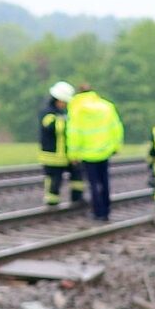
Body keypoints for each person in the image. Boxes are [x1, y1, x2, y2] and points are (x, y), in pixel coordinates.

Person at [65, 83, 123, 222]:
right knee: (104, 181)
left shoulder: (76, 108)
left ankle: (98, 212)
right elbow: (116, 127)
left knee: (93, 183)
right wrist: (115, 146)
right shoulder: (106, 106)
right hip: (104, 150)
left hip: (87, 153)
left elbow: (74, 133)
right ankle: (107, 210)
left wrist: (73, 154)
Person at [38, 82, 81, 209]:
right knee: (54, 181)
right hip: (52, 157)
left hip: (67, 155)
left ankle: (77, 200)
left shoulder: (64, 112)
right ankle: (52, 204)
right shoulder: (47, 112)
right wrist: (69, 121)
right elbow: (51, 127)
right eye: (64, 101)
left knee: (78, 176)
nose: (66, 104)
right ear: (57, 100)